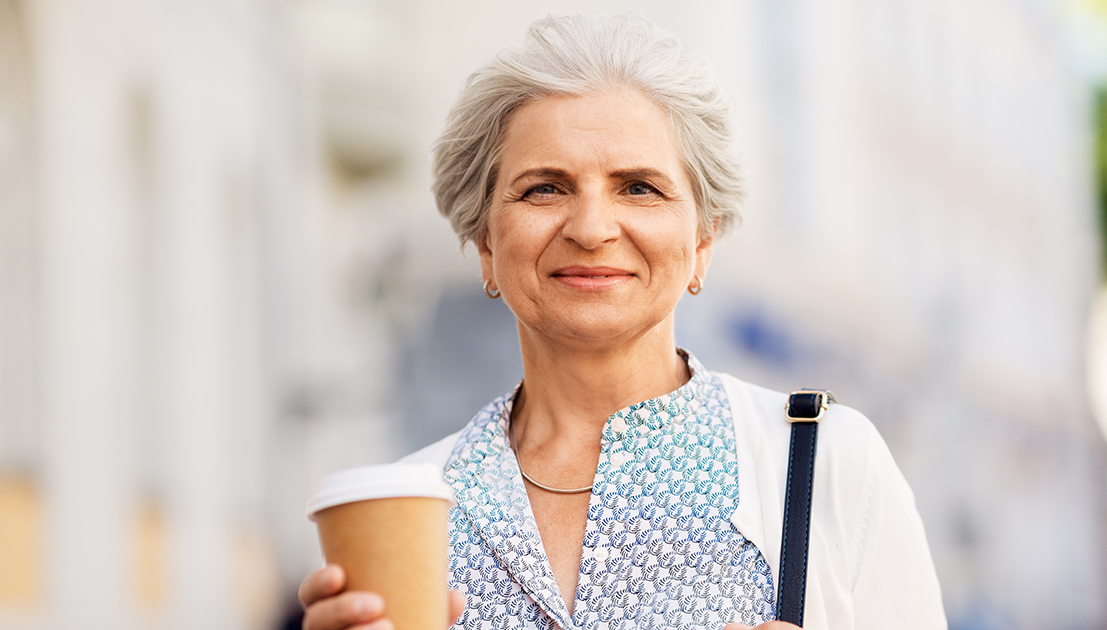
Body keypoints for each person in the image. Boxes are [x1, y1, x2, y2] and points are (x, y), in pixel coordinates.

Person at [299, 14, 945, 630]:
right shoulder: (409, 506)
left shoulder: (828, 465)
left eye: (639, 187)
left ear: (702, 241)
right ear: (486, 243)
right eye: (544, 188)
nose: (591, 229)